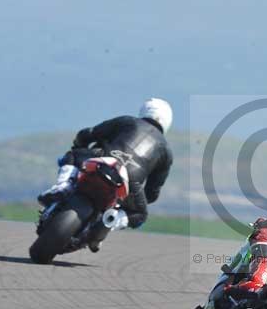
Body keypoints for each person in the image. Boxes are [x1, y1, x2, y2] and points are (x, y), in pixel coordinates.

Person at [37, 98, 174, 252]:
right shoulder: (166, 153)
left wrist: (79, 145)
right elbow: (152, 192)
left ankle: (63, 186)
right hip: (130, 182)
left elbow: (89, 133)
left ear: (144, 111)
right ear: (167, 122)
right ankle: (109, 221)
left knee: (72, 155)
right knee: (139, 215)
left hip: (104, 161)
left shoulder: (128, 121)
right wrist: (130, 202)